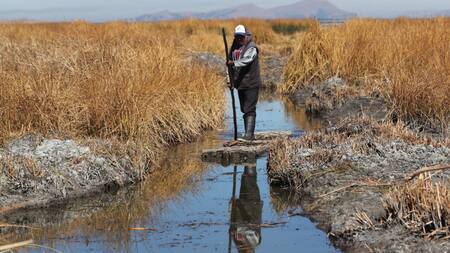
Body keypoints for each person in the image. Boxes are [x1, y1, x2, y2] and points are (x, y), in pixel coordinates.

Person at [227, 25, 262, 141]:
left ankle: (249, 135)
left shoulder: (251, 47)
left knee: (249, 108)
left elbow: (247, 60)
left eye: (241, 37)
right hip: (240, 84)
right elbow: (229, 68)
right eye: (237, 37)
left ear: (246, 36)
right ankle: (248, 134)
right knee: (244, 108)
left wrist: (233, 63)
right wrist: (230, 81)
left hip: (251, 83)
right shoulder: (234, 48)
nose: (239, 39)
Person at [229, 165, 263, 253]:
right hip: (253, 204)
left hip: (242, 203)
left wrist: (232, 205)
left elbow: (233, 221)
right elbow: (249, 223)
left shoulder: (238, 241)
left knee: (246, 178)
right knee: (249, 177)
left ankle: (249, 161)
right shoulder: (255, 241)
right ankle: (249, 161)